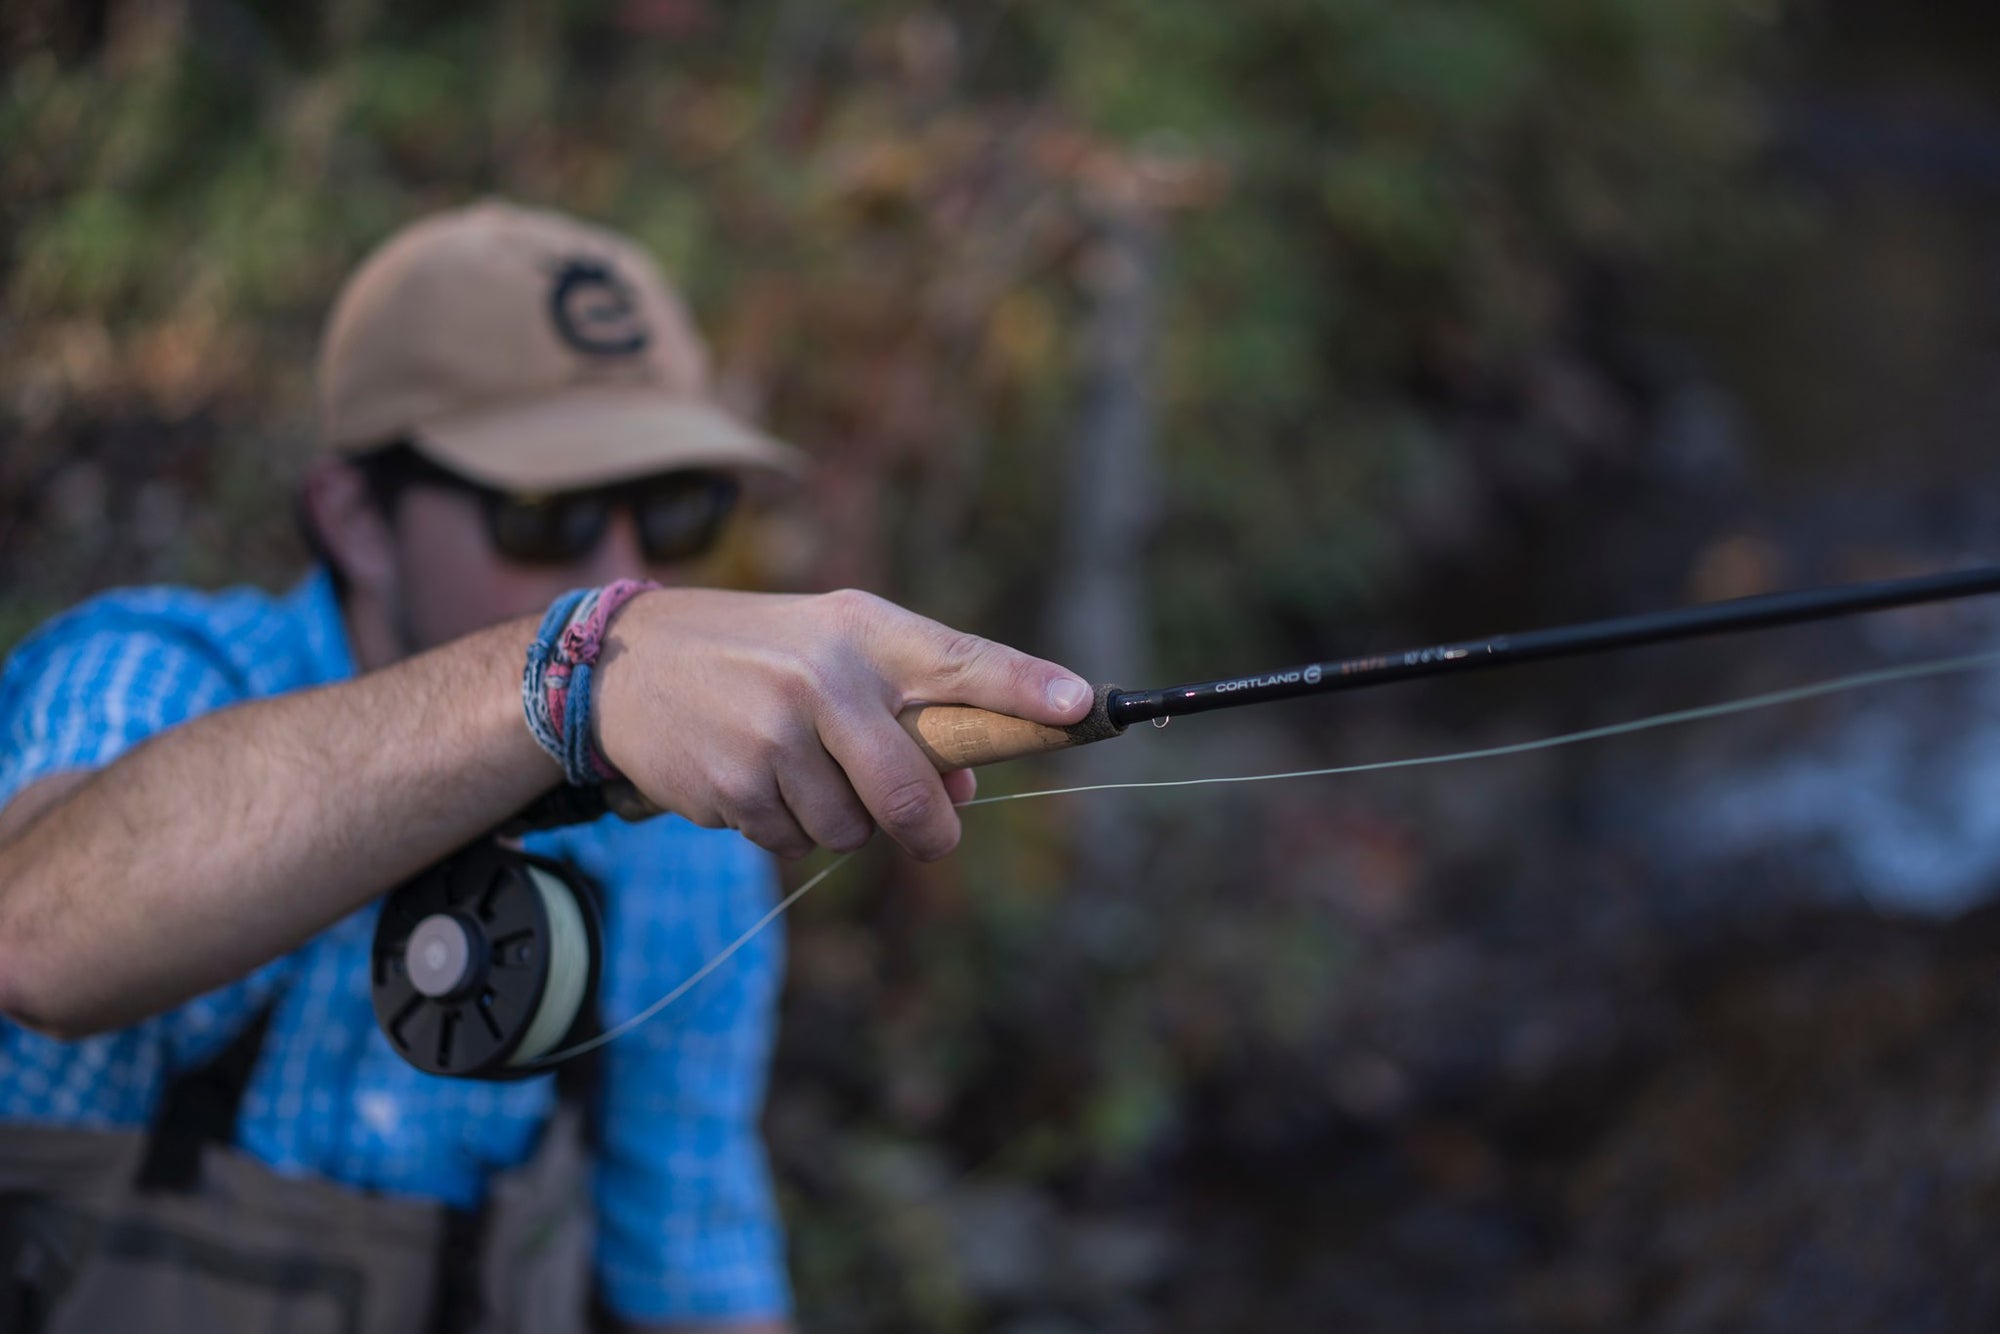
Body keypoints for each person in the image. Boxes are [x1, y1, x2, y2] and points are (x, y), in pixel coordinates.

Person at [0, 200, 1094, 1332]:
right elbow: (38, 934)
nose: (626, 572)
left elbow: (690, 1263)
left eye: (674, 508)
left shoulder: (694, 852)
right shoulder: (155, 671)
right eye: (547, 514)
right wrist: (568, 670)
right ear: (356, 517)